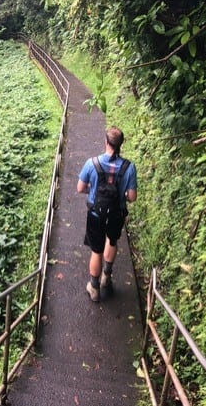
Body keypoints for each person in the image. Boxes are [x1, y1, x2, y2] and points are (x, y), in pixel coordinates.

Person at [77, 126, 137, 302]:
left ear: (106, 142)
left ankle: (94, 288)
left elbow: (80, 188)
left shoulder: (92, 163)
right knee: (111, 241)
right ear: (120, 145)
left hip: (96, 214)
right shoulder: (129, 167)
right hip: (116, 214)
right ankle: (106, 277)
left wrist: (93, 188)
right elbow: (132, 197)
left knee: (96, 250)